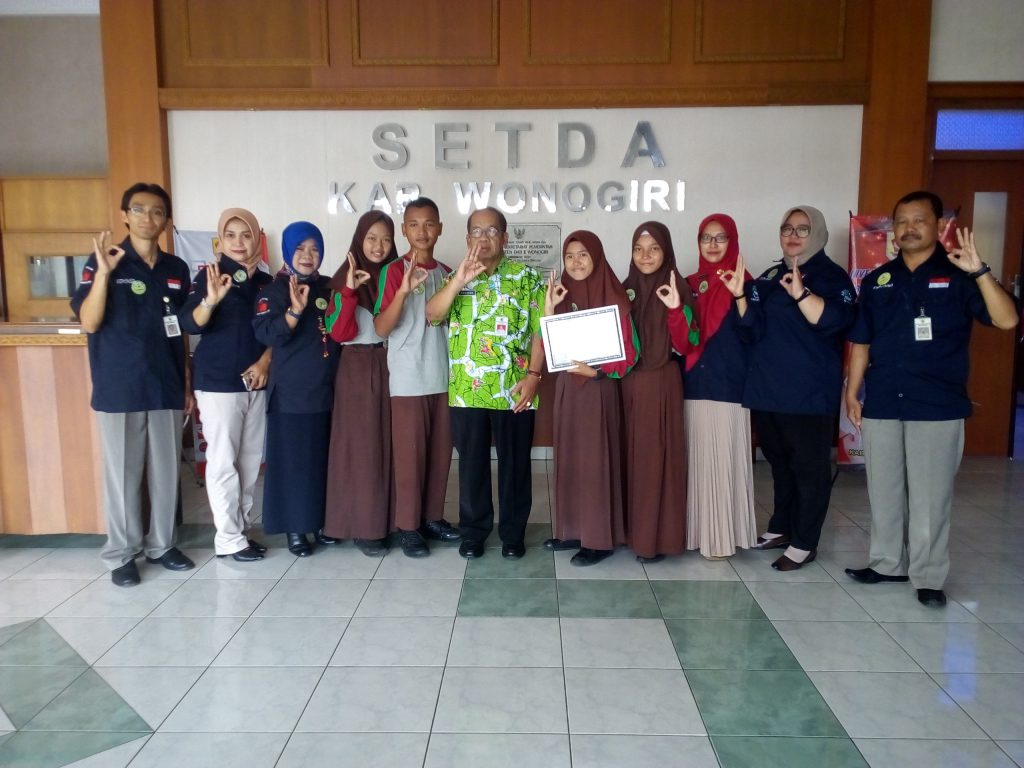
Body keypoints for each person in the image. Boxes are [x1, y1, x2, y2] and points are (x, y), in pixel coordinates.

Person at [844, 190, 1018, 607]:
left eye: (919, 220)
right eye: (901, 221)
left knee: (929, 497)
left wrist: (981, 272)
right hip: (883, 400)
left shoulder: (961, 274)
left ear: (939, 226)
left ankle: (928, 576)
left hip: (936, 404)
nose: (909, 228)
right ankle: (887, 563)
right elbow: (862, 341)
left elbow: (1007, 320)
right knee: (884, 491)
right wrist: (851, 392)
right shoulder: (879, 280)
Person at [71, 182, 195, 586]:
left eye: (157, 211)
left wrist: (186, 383)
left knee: (166, 473)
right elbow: (89, 322)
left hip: (166, 383)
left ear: (166, 220)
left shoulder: (176, 269)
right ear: (125, 215)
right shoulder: (105, 261)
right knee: (123, 476)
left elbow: (181, 330)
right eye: (139, 210)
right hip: (120, 386)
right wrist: (104, 277)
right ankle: (121, 554)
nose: (148, 218)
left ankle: (162, 545)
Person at [725, 205, 856, 571]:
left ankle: (804, 541)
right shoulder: (769, 276)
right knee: (779, 463)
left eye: (802, 229)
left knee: (809, 469)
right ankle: (781, 526)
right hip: (767, 391)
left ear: (818, 234)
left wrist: (801, 294)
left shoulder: (832, 277)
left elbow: (837, 322)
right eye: (787, 228)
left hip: (807, 394)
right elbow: (748, 330)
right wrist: (740, 296)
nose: (793, 235)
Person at [426, 206, 546, 560]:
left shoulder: (527, 278)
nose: (484, 238)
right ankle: (474, 533)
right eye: (477, 231)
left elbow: (541, 330)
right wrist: (458, 282)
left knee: (515, 466)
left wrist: (534, 376)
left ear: (505, 238)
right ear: (467, 239)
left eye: (492, 231)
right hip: (467, 390)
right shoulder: (455, 277)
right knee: (471, 466)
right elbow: (432, 315)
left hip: (515, 388)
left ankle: (512, 535)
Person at [179, 208, 273, 562]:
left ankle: (241, 531)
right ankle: (228, 538)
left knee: (249, 462)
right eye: (230, 235)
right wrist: (211, 300)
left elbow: (278, 332)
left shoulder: (267, 282)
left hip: (256, 383)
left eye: (246, 234)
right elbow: (190, 323)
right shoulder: (209, 275)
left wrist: (265, 362)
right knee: (222, 462)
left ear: (256, 239)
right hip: (218, 383)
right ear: (220, 240)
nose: (238, 242)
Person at [374, 198, 461, 557]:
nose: (422, 231)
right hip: (409, 378)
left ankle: (432, 518)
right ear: (404, 230)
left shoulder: (449, 273)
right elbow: (381, 328)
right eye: (414, 224)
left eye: (429, 224)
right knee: (410, 457)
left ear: (440, 228)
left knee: (440, 454)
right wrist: (402, 292)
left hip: (445, 377)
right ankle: (408, 526)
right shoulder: (393, 270)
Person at [543, 231, 637, 566]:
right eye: (569, 256)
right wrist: (549, 308)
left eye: (583, 254)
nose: (576, 262)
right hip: (568, 389)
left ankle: (599, 539)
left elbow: (630, 356)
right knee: (570, 458)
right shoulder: (561, 296)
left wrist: (597, 372)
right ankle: (572, 530)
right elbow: (552, 349)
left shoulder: (615, 297)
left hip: (598, 389)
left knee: (595, 462)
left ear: (596, 257)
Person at [253, 221, 341, 557]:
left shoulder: (328, 288)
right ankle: (295, 528)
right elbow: (267, 333)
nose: (308, 255)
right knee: (293, 464)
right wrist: (294, 311)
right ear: (288, 251)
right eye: (301, 248)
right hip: (290, 394)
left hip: (326, 391)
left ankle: (317, 522)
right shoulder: (273, 291)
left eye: (314, 249)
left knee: (320, 461)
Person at [621, 221, 698, 564]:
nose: (645, 256)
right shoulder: (624, 289)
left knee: (655, 461)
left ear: (666, 252)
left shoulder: (677, 287)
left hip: (660, 383)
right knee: (629, 458)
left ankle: (654, 538)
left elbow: (687, 343)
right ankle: (628, 532)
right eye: (639, 249)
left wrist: (675, 308)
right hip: (626, 385)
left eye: (654, 249)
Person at [323, 211, 399, 556]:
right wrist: (351, 291)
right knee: (364, 449)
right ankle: (365, 527)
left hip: (393, 364)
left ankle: (394, 522)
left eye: (385, 239)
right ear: (359, 240)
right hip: (358, 366)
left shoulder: (397, 275)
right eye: (371, 238)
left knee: (392, 446)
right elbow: (340, 333)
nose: (378, 246)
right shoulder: (345, 278)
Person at [683, 214, 757, 559]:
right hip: (692, 385)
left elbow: (754, 333)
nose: (712, 244)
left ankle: (722, 538)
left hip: (728, 386)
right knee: (695, 464)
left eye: (721, 237)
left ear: (733, 241)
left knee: (723, 464)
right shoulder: (687, 284)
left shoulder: (747, 283)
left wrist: (739, 294)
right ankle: (695, 534)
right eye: (706, 237)